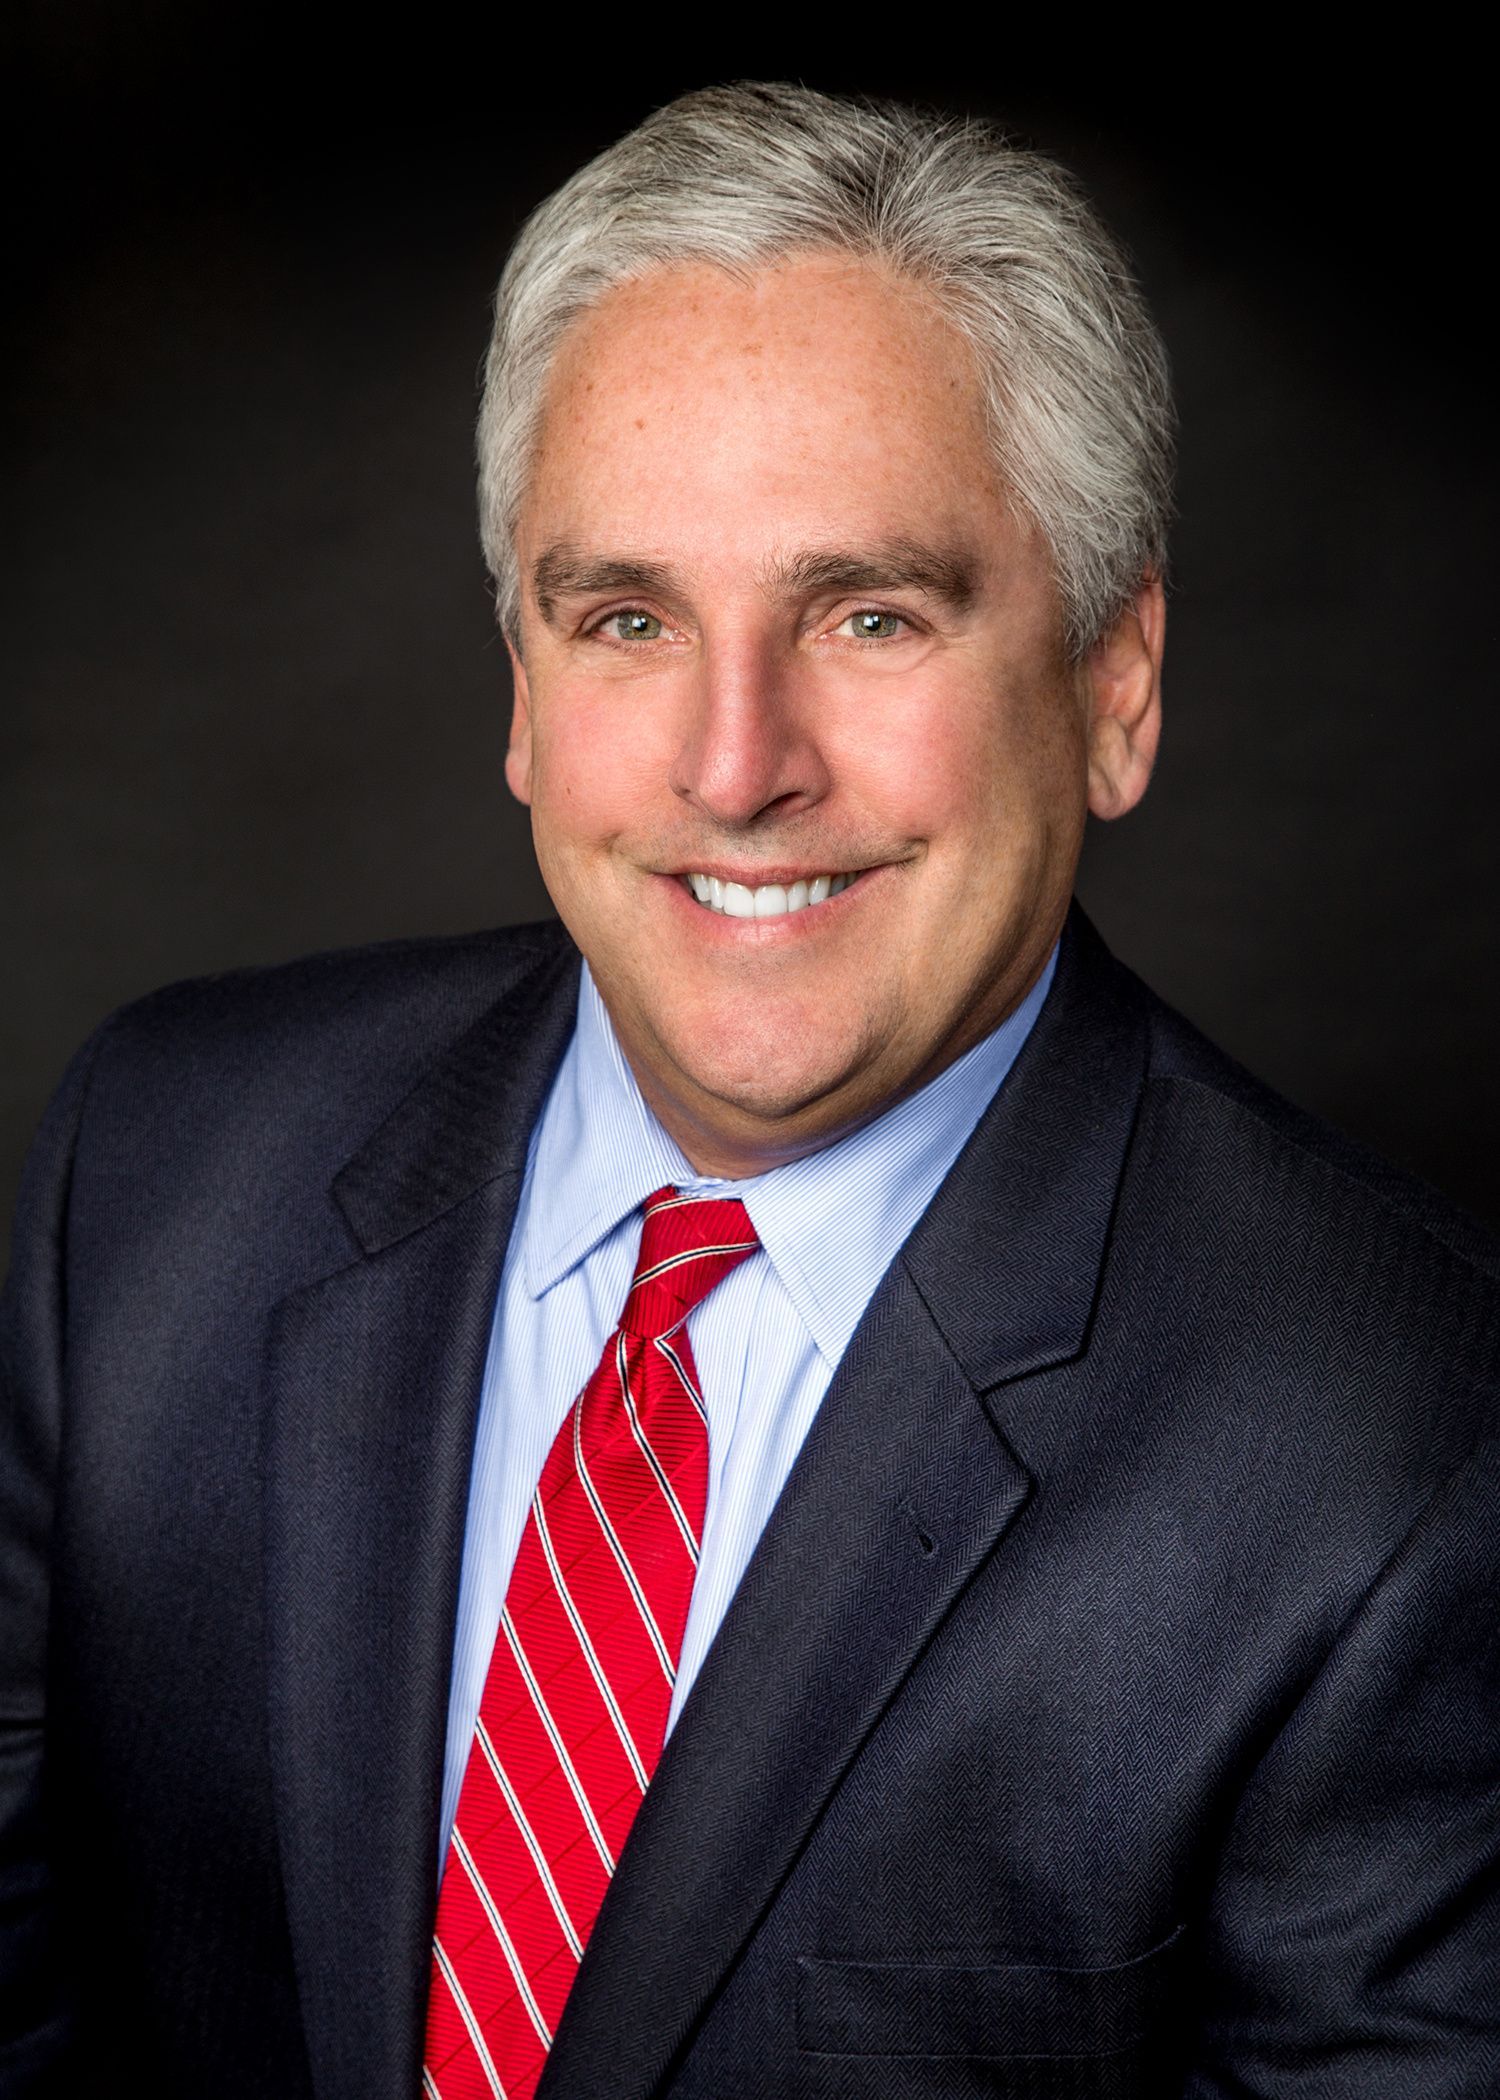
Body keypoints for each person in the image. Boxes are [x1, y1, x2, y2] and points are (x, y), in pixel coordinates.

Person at [2, 79, 1496, 2100]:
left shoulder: (1403, 1456)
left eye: (869, 614)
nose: (734, 766)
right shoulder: (156, 1173)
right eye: (626, 619)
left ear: (1113, 685)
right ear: (523, 689)